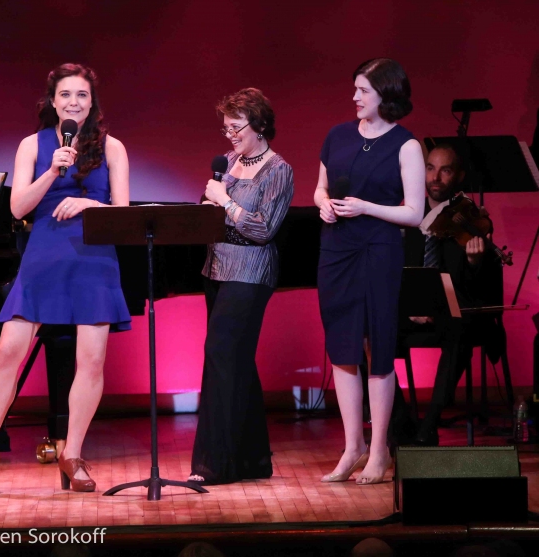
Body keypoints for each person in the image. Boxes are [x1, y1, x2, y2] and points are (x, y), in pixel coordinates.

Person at [0, 63, 131, 495]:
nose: (75, 102)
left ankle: (73, 453)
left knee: (90, 361)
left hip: (94, 260)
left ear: (93, 103)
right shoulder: (30, 147)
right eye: (67, 95)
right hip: (45, 258)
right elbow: (18, 208)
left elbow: (126, 217)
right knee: (7, 353)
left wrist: (90, 204)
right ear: (52, 101)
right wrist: (53, 172)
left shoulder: (113, 148)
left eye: (83, 96)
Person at [315, 58, 425, 485]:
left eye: (363, 90)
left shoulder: (407, 145)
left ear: (386, 94)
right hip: (336, 248)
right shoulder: (338, 135)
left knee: (378, 347)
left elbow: (414, 213)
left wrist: (365, 208)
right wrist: (324, 202)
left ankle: (379, 451)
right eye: (355, 89)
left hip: (378, 250)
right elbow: (320, 185)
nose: (355, 97)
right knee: (342, 346)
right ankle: (352, 447)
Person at [189, 88, 294, 485]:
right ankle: (252, 461)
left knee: (219, 355)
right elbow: (215, 209)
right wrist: (207, 206)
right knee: (237, 362)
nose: (229, 135)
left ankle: (213, 464)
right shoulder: (230, 162)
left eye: (236, 126)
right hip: (216, 267)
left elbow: (264, 229)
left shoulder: (279, 170)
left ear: (261, 124)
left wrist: (226, 204)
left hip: (250, 271)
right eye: (226, 127)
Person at [398, 143, 503, 446]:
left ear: (458, 176)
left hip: (454, 318)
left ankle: (428, 427)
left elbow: (478, 292)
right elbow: (395, 275)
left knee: (460, 335)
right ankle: (401, 421)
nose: (436, 177)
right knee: (366, 332)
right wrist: (409, 308)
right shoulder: (409, 217)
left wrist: (473, 262)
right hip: (413, 315)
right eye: (430, 168)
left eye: (445, 170)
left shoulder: (468, 219)